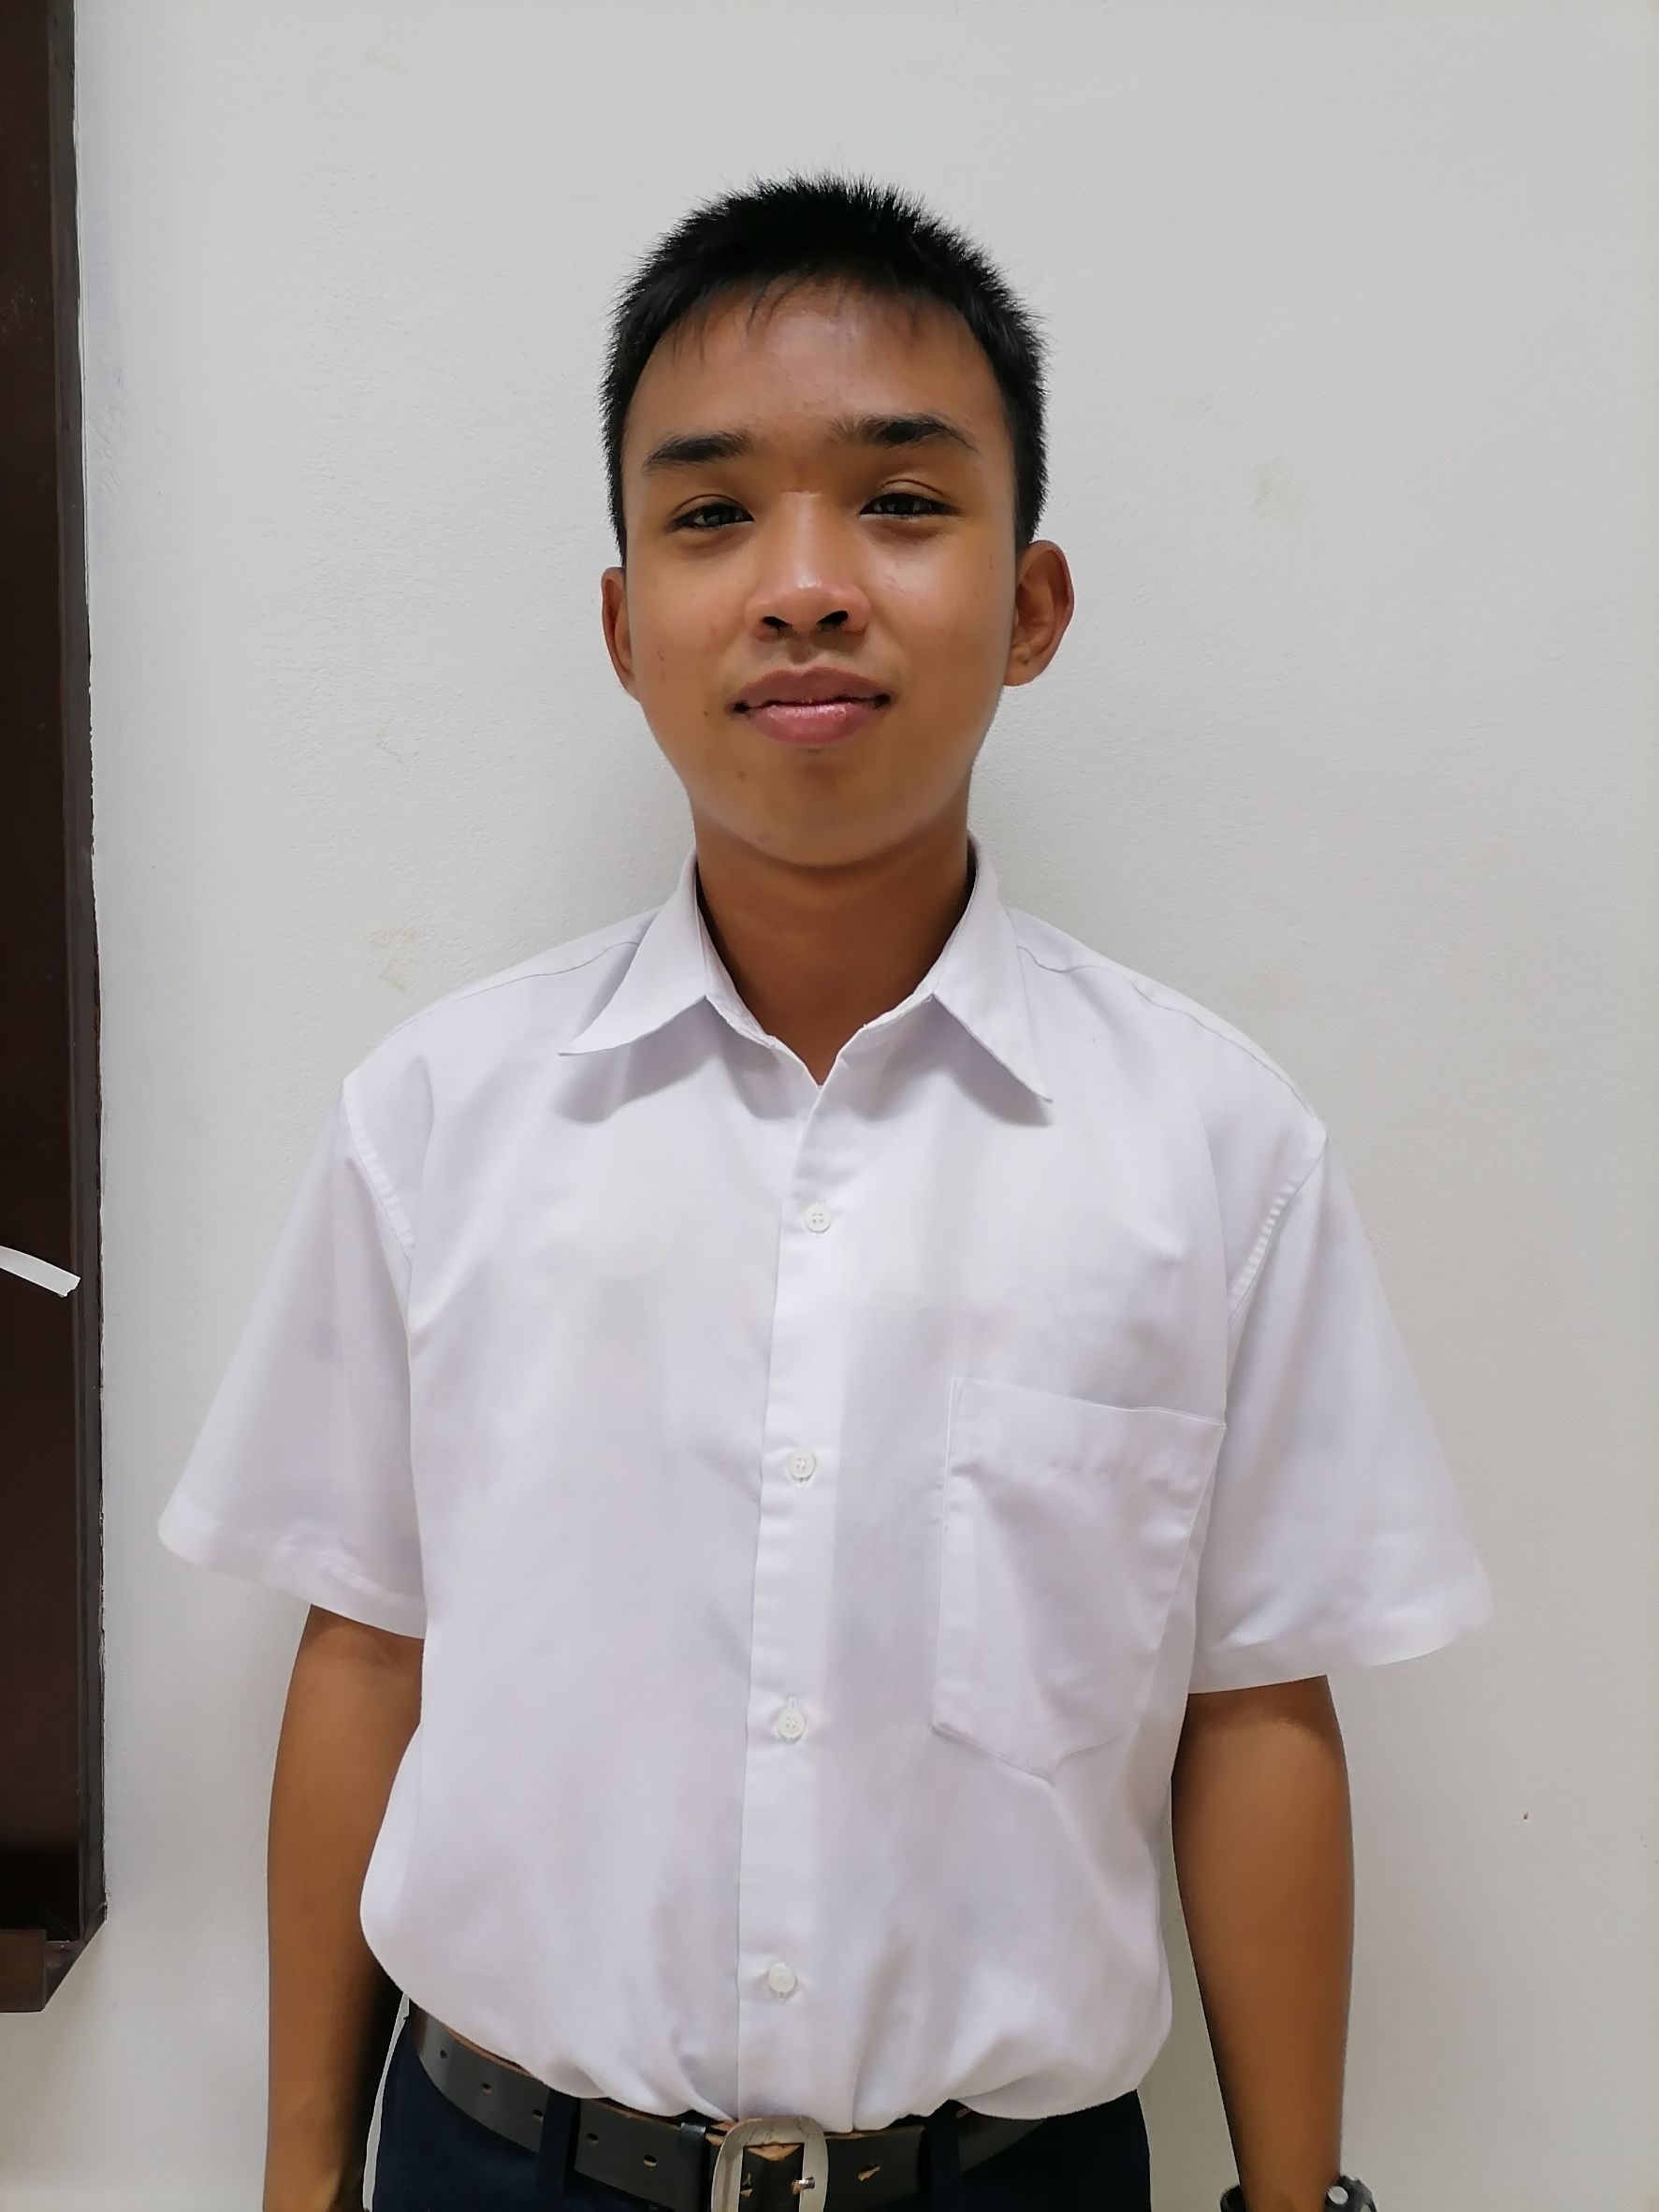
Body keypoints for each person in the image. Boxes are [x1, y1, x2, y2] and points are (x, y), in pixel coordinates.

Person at [158, 171, 1492, 2212]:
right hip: (498, 2162)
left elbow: (1254, 1703)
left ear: (1028, 605)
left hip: (1012, 2177)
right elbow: (365, 1653)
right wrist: (295, 2183)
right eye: (709, 514)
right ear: (625, 626)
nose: (802, 586)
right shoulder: (436, 1119)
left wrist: (1290, 2199)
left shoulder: (1213, 1148)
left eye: (898, 501)